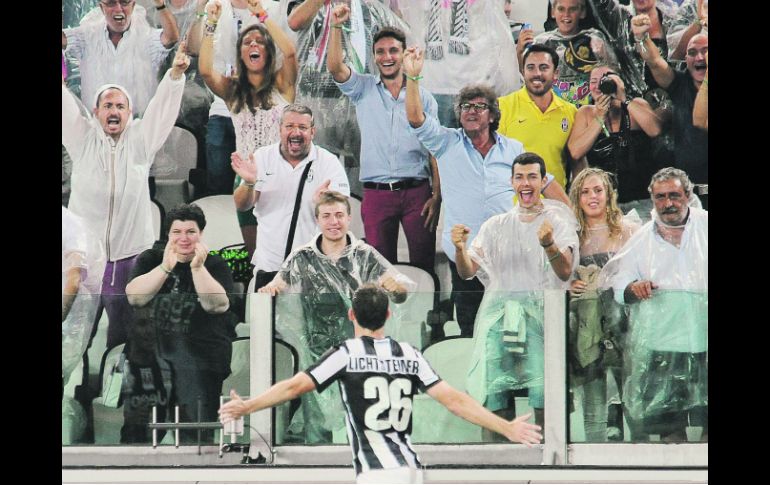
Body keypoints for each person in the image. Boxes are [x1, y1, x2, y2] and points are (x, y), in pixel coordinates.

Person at [219, 284, 543, 483]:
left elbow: (293, 387)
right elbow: (456, 401)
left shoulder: (346, 354)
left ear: (351, 315)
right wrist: (507, 428)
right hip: (412, 469)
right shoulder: (410, 355)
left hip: (376, 473)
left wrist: (248, 406)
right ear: (389, 315)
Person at [403, 46, 569, 338]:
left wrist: (572, 219)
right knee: (471, 328)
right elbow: (416, 118)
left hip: (507, 255)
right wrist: (413, 78)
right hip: (465, 256)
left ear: (492, 115)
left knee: (509, 328)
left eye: (479, 106)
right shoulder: (446, 143)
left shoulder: (513, 149)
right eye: (466, 107)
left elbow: (544, 181)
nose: (470, 111)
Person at [62, 45, 190, 348]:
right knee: (74, 333)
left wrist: (174, 76)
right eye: (107, 105)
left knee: (125, 336)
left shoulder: (141, 142)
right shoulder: (81, 139)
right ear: (95, 112)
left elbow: (162, 110)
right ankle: (76, 386)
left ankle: (117, 388)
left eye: (120, 106)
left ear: (130, 113)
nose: (114, 111)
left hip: (131, 255)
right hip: (85, 258)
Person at [261, 191, 415, 443]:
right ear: (317, 220)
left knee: (357, 419)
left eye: (339, 215)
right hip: (315, 352)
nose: (334, 221)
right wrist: (271, 289)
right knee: (318, 424)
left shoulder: (364, 254)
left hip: (359, 353)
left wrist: (396, 287)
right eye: (327, 216)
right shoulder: (303, 256)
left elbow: (400, 293)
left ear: (349, 218)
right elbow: (278, 284)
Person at [455, 153, 578, 434]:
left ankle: (552, 468)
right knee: (495, 402)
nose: (526, 183)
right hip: (497, 323)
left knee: (546, 401)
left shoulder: (558, 220)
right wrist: (461, 250)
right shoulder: (495, 225)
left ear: (543, 181)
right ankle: (498, 468)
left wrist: (549, 246)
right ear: (511, 182)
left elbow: (565, 271)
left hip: (542, 324)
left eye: (532, 176)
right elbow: (467, 272)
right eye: (520, 177)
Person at [327, 4, 440, 274]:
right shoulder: (363, 88)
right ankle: (385, 317)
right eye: (380, 52)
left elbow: (435, 149)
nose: (387, 57)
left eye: (393, 50)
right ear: (375, 57)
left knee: (423, 265)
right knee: (379, 269)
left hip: (417, 192)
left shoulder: (423, 97)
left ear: (403, 54)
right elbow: (334, 66)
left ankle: (425, 315)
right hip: (377, 194)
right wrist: (335, 26)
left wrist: (437, 195)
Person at [599, 167, 707, 442]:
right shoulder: (642, 238)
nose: (667, 203)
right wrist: (633, 289)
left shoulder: (706, 226)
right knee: (668, 428)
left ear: (688, 194)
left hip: (705, 343)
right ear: (652, 198)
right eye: (660, 197)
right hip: (663, 347)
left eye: (674, 195)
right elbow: (618, 281)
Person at [124, 203, 236, 442]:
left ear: (201, 235)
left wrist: (197, 268)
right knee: (138, 439)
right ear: (168, 235)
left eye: (191, 232)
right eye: (177, 232)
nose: (184, 239)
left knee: (194, 440)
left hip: (200, 367)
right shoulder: (150, 258)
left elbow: (217, 305)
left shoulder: (215, 264)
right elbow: (135, 296)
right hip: (150, 365)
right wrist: (166, 267)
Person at [199, 0, 299, 260]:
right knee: (258, 257)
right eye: (247, 42)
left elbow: (289, 52)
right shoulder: (233, 91)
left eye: (260, 41)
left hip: (282, 174)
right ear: (240, 54)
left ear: (268, 51)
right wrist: (210, 24)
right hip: (247, 178)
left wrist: (263, 17)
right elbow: (206, 72)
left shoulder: (282, 83)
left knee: (287, 251)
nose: (254, 44)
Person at [230, 104, 350, 290]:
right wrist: (249, 183)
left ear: (313, 132)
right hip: (269, 266)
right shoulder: (262, 157)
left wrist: (323, 204)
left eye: (302, 127)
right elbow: (242, 205)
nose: (296, 132)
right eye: (290, 126)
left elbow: (342, 208)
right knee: (267, 319)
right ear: (280, 129)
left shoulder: (328, 162)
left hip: (314, 268)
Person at [283, 0, 408, 168]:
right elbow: (294, 21)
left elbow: (397, 32)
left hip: (359, 96)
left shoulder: (368, 4)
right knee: (318, 170)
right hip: (317, 99)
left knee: (361, 171)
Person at [566, 168, 640, 442]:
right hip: (586, 326)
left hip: (624, 322)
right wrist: (569, 284)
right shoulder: (571, 234)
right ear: (577, 198)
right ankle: (591, 459)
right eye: (585, 192)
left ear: (609, 194)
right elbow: (557, 273)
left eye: (597, 190)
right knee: (593, 396)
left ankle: (640, 458)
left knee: (632, 393)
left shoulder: (630, 230)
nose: (592, 197)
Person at [395, 0, 521, 128]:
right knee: (433, 142)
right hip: (433, 85)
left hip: (475, 86)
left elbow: (498, 37)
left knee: (473, 144)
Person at [567, 64, 663, 218]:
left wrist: (624, 99)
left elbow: (655, 130)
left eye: (605, 79)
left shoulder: (636, 105)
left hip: (641, 199)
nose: (599, 86)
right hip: (603, 202)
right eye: (594, 81)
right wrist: (599, 116)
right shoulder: (585, 113)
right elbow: (575, 152)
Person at [63, 0, 179, 116]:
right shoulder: (87, 35)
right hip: (95, 123)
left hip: (139, 123)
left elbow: (171, 38)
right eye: (111, 3)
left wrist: (160, 5)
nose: (118, 9)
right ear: (102, 8)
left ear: (133, 5)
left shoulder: (146, 36)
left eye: (124, 3)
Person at [498, 44, 580, 188]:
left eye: (544, 67)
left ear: (556, 73)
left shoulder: (570, 112)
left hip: (555, 205)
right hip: (514, 205)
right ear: (522, 72)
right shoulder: (502, 106)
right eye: (530, 67)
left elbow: (576, 161)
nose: (537, 74)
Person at [634, 23, 707, 186]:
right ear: (686, 60)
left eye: (705, 51)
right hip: (689, 189)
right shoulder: (680, 83)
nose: (700, 57)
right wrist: (642, 37)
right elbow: (654, 61)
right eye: (692, 52)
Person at [517, 0, 617, 107]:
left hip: (587, 111)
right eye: (561, 9)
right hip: (553, 110)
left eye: (572, 9)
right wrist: (519, 51)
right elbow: (525, 77)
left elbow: (614, 73)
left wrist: (603, 55)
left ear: (582, 12)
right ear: (552, 12)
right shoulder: (542, 42)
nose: (566, 15)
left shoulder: (594, 38)